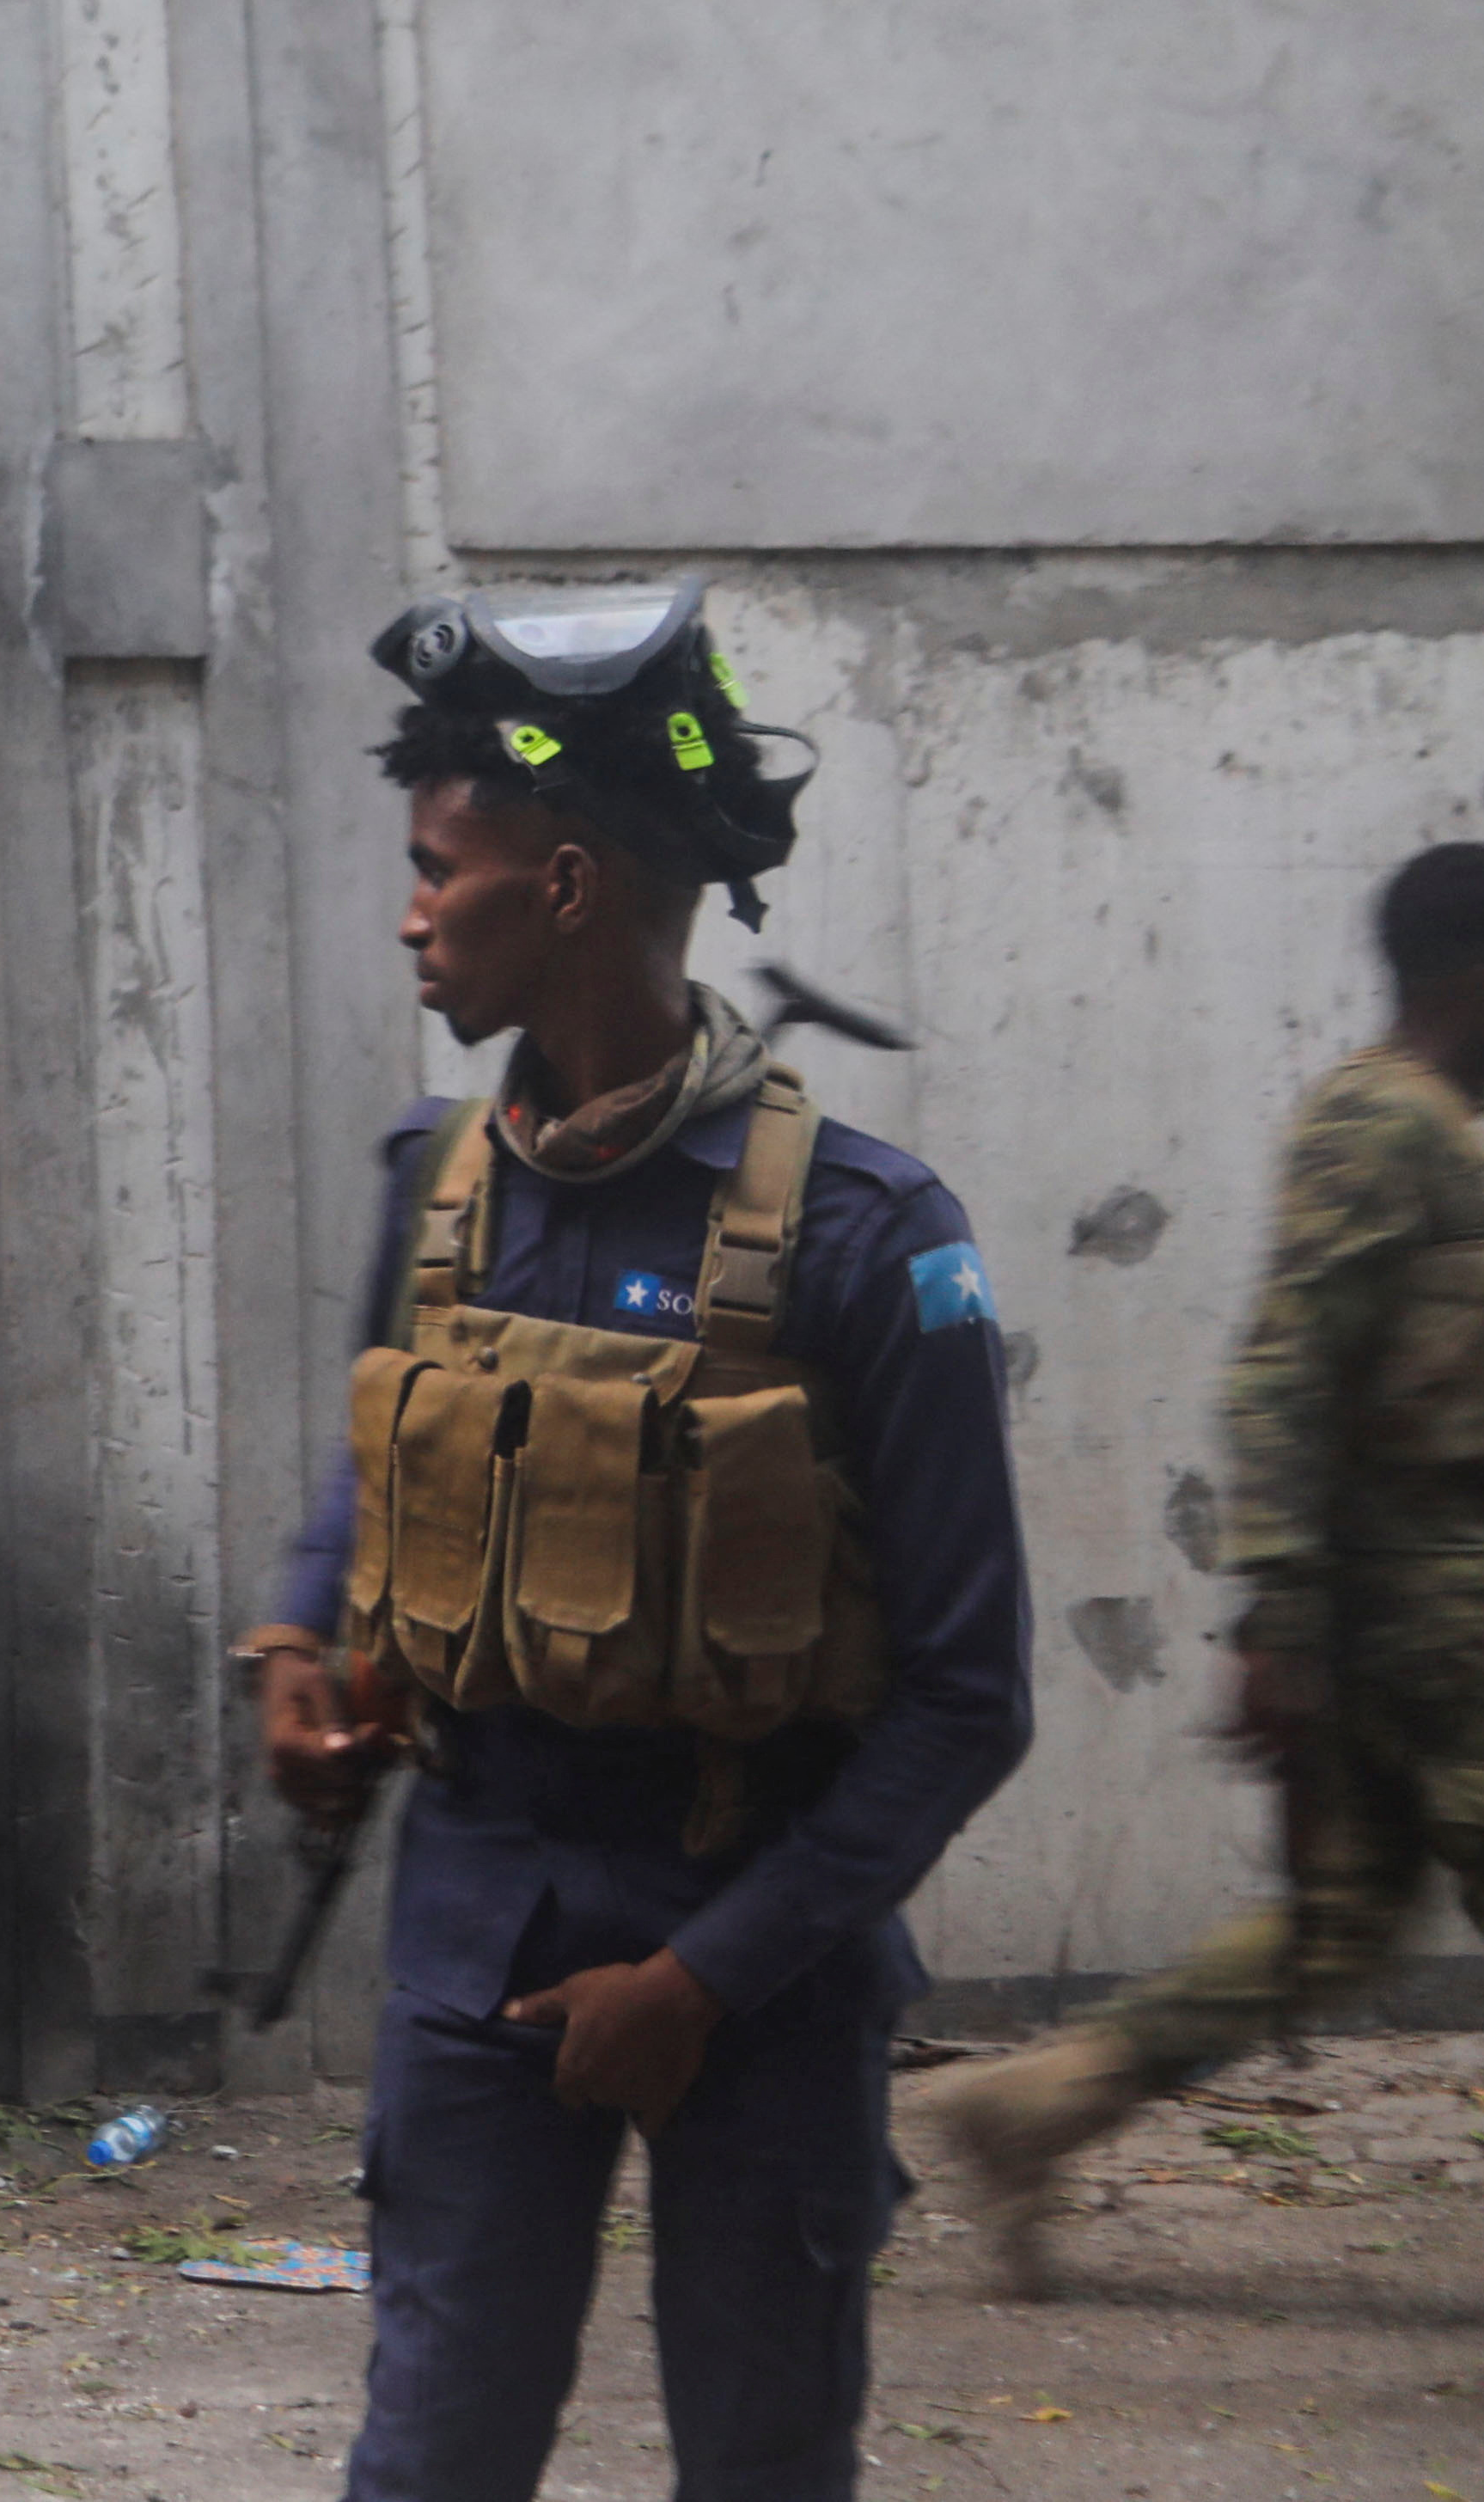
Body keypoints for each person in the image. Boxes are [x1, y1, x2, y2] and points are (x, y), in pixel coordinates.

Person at [248, 582, 1030, 2502]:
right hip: (475, 1921)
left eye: (441, 867)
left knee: (761, 2460)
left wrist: (700, 1985)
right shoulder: (429, 1188)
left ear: (570, 883)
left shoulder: (869, 1238)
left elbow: (964, 1695)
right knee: (428, 2457)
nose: (412, 908)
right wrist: (296, 1659)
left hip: (753, 1949)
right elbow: (368, 1484)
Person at [928, 840, 1484, 2389]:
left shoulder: (1436, 1132)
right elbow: (1285, 1367)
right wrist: (1278, 1617)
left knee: (1340, 1924)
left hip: (1404, 1582)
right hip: (1407, 1596)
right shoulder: (1381, 1124)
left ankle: (1039, 2101)